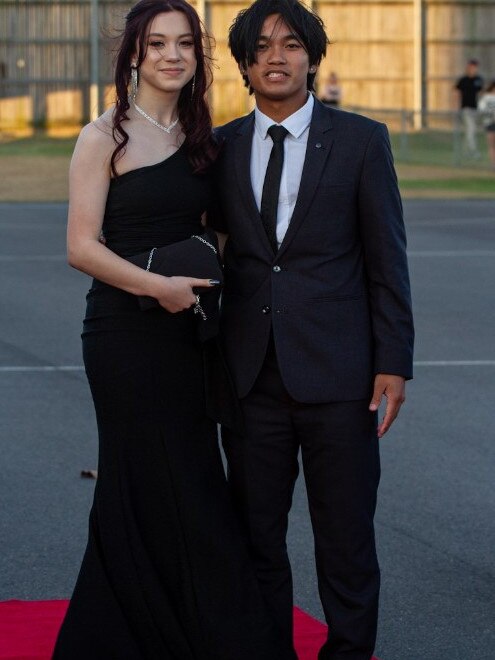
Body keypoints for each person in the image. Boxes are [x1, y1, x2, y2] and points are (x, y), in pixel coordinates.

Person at [52, 1, 295, 658]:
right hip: (125, 338)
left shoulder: (202, 140)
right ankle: (123, 635)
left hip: (191, 339)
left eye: (184, 43)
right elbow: (80, 245)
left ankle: (196, 628)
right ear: (133, 53)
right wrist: (156, 286)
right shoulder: (104, 136)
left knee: (191, 477)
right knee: (138, 478)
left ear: (197, 56)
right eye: (157, 43)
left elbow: (218, 228)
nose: (171, 55)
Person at [210, 1, 414, 658]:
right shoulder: (217, 148)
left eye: (291, 44)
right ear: (243, 63)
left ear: (311, 57)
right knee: (255, 540)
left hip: (340, 378)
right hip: (249, 380)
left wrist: (393, 360)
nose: (276, 56)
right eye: (262, 46)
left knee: (345, 543)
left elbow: (386, 256)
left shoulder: (360, 140)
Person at [454, 58, 484, 159]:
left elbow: (481, 93)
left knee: (470, 131)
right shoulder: (463, 80)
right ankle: (473, 151)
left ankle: (465, 152)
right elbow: (457, 92)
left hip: (475, 108)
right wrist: (456, 107)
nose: (473, 69)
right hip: (466, 108)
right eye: (471, 67)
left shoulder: (478, 80)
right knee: (471, 129)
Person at [477, 80, 495, 170]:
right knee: (492, 145)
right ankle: (493, 164)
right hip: (490, 123)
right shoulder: (486, 97)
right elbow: (481, 109)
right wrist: (490, 113)